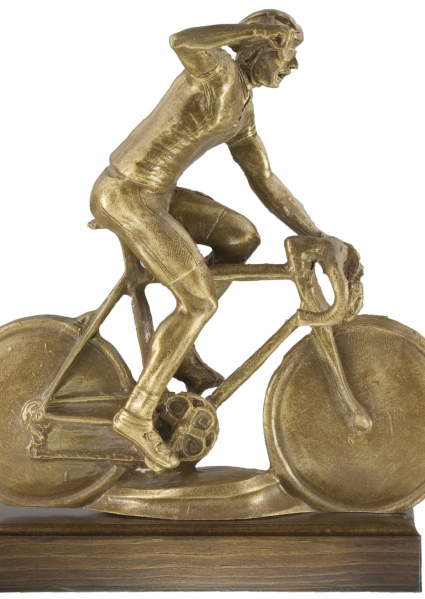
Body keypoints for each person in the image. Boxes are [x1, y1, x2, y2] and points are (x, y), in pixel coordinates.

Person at [90, 9, 326, 472]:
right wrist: (251, 30)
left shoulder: (243, 111)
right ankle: (137, 413)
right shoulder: (217, 68)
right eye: (288, 53)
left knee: (242, 237)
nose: (293, 65)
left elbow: (265, 179)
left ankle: (180, 349)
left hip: (158, 196)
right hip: (126, 194)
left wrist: (317, 236)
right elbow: (181, 39)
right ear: (262, 48)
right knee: (198, 301)